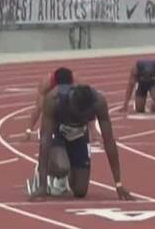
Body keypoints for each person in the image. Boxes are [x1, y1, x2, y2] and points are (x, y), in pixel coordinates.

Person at [28, 73, 135, 201]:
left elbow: (109, 141)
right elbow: (45, 140)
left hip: (79, 136)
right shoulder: (54, 99)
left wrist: (118, 184)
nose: (79, 116)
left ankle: (64, 174)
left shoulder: (99, 102)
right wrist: (42, 186)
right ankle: (45, 172)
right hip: (57, 134)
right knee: (62, 167)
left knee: (80, 191)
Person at [24, 66, 74, 140]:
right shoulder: (46, 83)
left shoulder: (75, 81)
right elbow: (38, 107)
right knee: (46, 109)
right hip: (51, 97)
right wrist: (29, 129)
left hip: (67, 96)